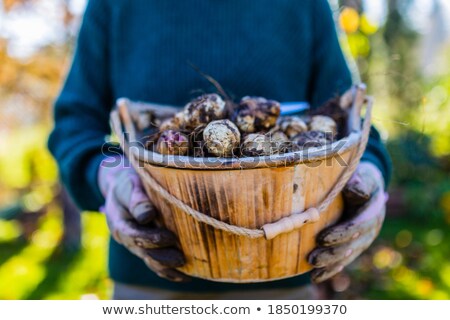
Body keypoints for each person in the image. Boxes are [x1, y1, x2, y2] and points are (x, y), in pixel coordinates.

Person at [48, 0, 391, 299]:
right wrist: (110, 176)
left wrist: (369, 174)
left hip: (285, 275)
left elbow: (352, 121)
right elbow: (74, 126)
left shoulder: (306, 4)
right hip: (150, 283)